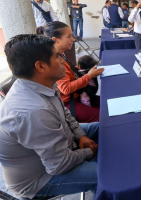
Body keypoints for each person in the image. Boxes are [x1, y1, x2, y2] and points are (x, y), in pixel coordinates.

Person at [0, 34, 99, 199]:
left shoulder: (41, 83)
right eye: (57, 56)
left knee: (104, 127)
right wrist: (90, 151)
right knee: (110, 174)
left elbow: (65, 113)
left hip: (61, 148)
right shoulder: (33, 112)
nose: (63, 61)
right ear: (40, 66)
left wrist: (81, 135)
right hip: (41, 179)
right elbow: (59, 165)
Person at [36, 21, 104, 123]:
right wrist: (88, 76)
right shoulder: (55, 61)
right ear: (56, 40)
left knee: (107, 104)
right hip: (69, 102)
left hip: (78, 95)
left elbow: (68, 74)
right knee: (104, 117)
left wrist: (79, 70)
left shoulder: (61, 55)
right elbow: (66, 89)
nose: (73, 39)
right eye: (69, 36)